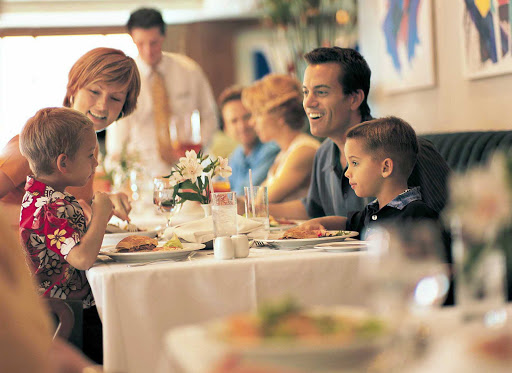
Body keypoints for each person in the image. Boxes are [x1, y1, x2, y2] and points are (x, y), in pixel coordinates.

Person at [269, 47, 450, 224]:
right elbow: (313, 210)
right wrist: (253, 207)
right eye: (306, 92)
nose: (308, 102)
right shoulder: (323, 153)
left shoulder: (404, 149)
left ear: (354, 98)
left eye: (321, 92)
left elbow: (450, 220)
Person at [0, 47, 141, 231]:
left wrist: (106, 202)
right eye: (94, 91)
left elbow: (72, 207)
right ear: (74, 88)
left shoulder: (89, 147)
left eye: (115, 98)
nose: (102, 105)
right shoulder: (33, 144)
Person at [19, 107, 114, 364]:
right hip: (70, 317)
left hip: (50, 311)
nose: (96, 162)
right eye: (91, 155)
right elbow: (82, 258)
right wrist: (101, 215)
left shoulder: (36, 197)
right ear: (63, 163)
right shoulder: (54, 207)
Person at [105, 7, 218, 178]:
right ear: (132, 39)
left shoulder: (189, 71)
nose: (148, 51)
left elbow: (209, 115)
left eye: (154, 42)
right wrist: (120, 174)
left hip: (187, 172)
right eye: (140, 43)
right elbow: (117, 139)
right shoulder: (124, 80)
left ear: (163, 36)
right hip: (143, 175)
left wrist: (198, 150)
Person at [297, 117, 438, 237]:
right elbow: (346, 223)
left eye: (355, 163)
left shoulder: (417, 214)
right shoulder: (372, 211)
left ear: (385, 168)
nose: (347, 172)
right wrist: (319, 223)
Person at [242, 74, 320, 203]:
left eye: (258, 113)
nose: (251, 122)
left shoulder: (303, 151)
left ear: (280, 116)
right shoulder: (284, 152)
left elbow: (262, 203)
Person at [218, 85, 280, 195]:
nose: (242, 126)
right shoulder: (237, 155)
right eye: (234, 121)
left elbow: (245, 194)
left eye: (247, 116)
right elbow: (217, 187)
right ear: (225, 128)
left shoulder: (272, 149)